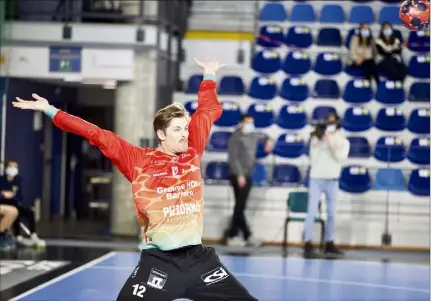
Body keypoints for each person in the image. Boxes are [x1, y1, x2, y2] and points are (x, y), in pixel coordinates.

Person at [12, 57, 259, 301]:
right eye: (178, 129)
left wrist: (208, 75)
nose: (186, 134)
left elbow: (207, 110)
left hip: (200, 261)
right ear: (161, 134)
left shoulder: (193, 149)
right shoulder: (138, 160)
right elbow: (96, 134)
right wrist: (50, 110)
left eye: (185, 128)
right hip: (160, 262)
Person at [303, 112, 350, 258]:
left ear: (337, 124)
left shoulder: (343, 142)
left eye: (332, 123)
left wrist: (330, 142)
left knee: (331, 213)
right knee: (311, 211)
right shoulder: (316, 139)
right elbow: (313, 158)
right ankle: (308, 243)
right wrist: (317, 141)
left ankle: (329, 243)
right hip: (316, 178)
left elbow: (340, 158)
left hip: (333, 180)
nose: (329, 126)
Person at [224, 114, 272, 247]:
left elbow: (266, 137)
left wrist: (269, 142)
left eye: (252, 123)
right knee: (240, 206)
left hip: (248, 174)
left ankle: (245, 235)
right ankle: (233, 234)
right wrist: (239, 175)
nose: (251, 125)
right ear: (241, 124)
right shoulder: (235, 137)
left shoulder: (253, 136)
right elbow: (233, 158)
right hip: (237, 175)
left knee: (240, 206)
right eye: (248, 123)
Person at [0, 160, 46, 248]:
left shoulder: (18, 180)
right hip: (4, 203)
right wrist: (4, 195)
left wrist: (13, 197)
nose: (12, 169)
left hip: (15, 203)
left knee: (28, 211)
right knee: (14, 212)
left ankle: (33, 234)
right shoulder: (2, 180)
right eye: (11, 167)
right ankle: (16, 236)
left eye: (15, 167)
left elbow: (19, 195)